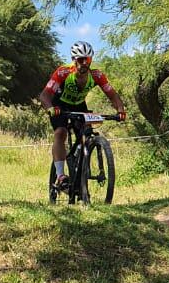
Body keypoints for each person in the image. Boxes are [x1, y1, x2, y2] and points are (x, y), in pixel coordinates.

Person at [39, 41, 127, 189]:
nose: (85, 63)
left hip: (79, 105)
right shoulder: (63, 72)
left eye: (88, 60)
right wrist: (50, 108)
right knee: (60, 133)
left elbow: (112, 95)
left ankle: (82, 158)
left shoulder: (97, 75)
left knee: (87, 130)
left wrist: (120, 110)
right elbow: (44, 95)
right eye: (81, 60)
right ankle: (60, 175)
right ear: (74, 60)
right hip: (59, 105)